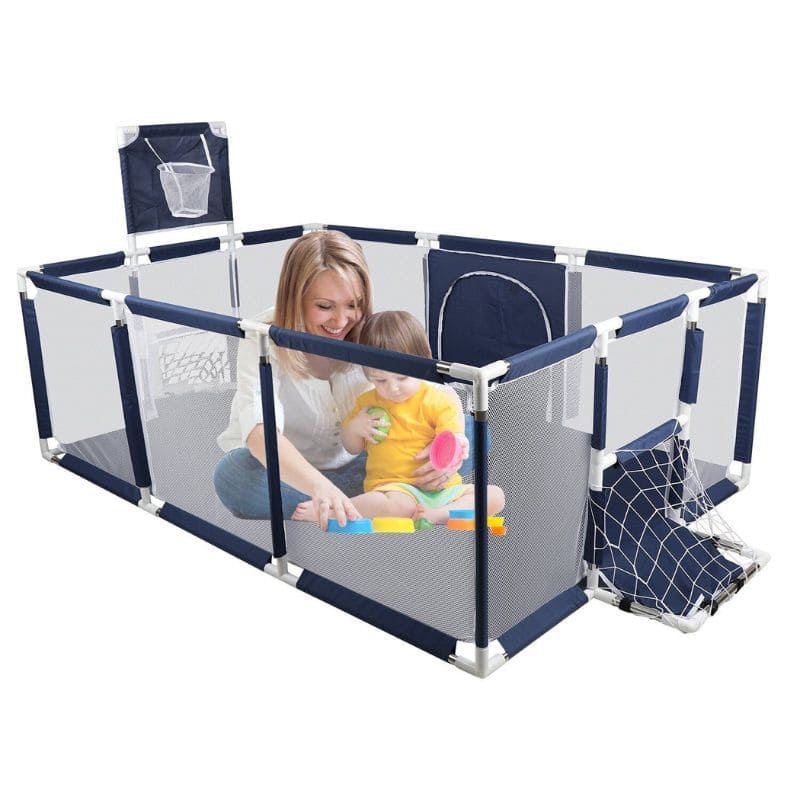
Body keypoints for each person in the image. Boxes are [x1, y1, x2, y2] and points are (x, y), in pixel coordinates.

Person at [213, 230, 466, 530]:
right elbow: (260, 433)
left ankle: (376, 502)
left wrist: (452, 447)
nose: (341, 321)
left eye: (353, 304)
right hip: (290, 472)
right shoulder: (261, 336)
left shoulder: (370, 332)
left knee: (473, 433)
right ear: (295, 299)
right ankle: (373, 502)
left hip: (371, 465)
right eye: (324, 306)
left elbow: (431, 390)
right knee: (234, 477)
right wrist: (320, 487)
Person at [292, 311, 504, 527]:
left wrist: (455, 447)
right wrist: (355, 428)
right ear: (367, 373)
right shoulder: (368, 403)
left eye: (402, 377)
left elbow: (453, 436)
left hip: (443, 489)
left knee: (495, 495)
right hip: (395, 489)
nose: (393, 388)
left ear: (424, 363)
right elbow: (352, 448)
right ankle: (334, 509)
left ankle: (440, 514)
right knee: (393, 506)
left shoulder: (436, 399)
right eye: (380, 380)